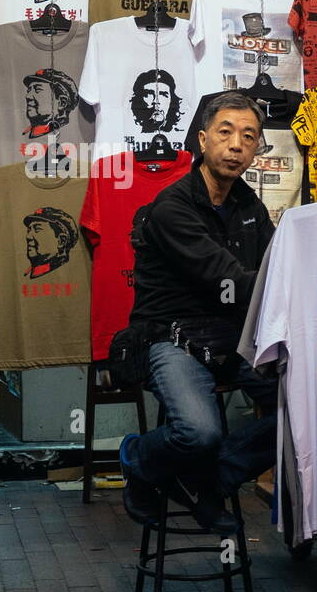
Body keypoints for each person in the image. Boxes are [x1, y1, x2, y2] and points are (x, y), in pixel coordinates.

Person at [119, 92, 277, 532]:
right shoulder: (172, 208)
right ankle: (138, 459)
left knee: (306, 409)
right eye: (226, 133)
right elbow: (229, 279)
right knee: (198, 432)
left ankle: (206, 481)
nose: (237, 145)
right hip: (172, 338)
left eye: (249, 137)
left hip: (234, 336)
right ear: (203, 140)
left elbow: (277, 266)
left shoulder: (250, 206)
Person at [129, 68, 184, 133]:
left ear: (172, 100)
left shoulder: (182, 133)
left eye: (163, 94)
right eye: (149, 94)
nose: (156, 101)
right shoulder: (131, 130)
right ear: (139, 99)